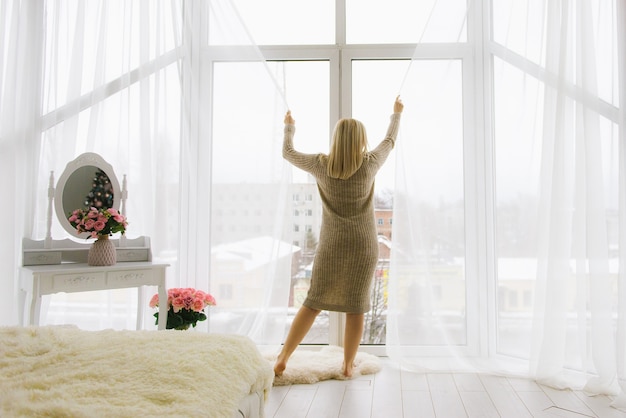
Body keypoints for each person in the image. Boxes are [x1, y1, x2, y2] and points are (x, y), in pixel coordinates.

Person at [275, 96, 404, 378]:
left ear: (336, 139)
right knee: (356, 306)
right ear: (360, 141)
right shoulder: (369, 164)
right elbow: (389, 141)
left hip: (332, 245)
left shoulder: (321, 165)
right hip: (363, 245)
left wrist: (289, 127)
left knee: (313, 301)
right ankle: (347, 365)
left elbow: (288, 152)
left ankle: (283, 357)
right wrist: (396, 114)